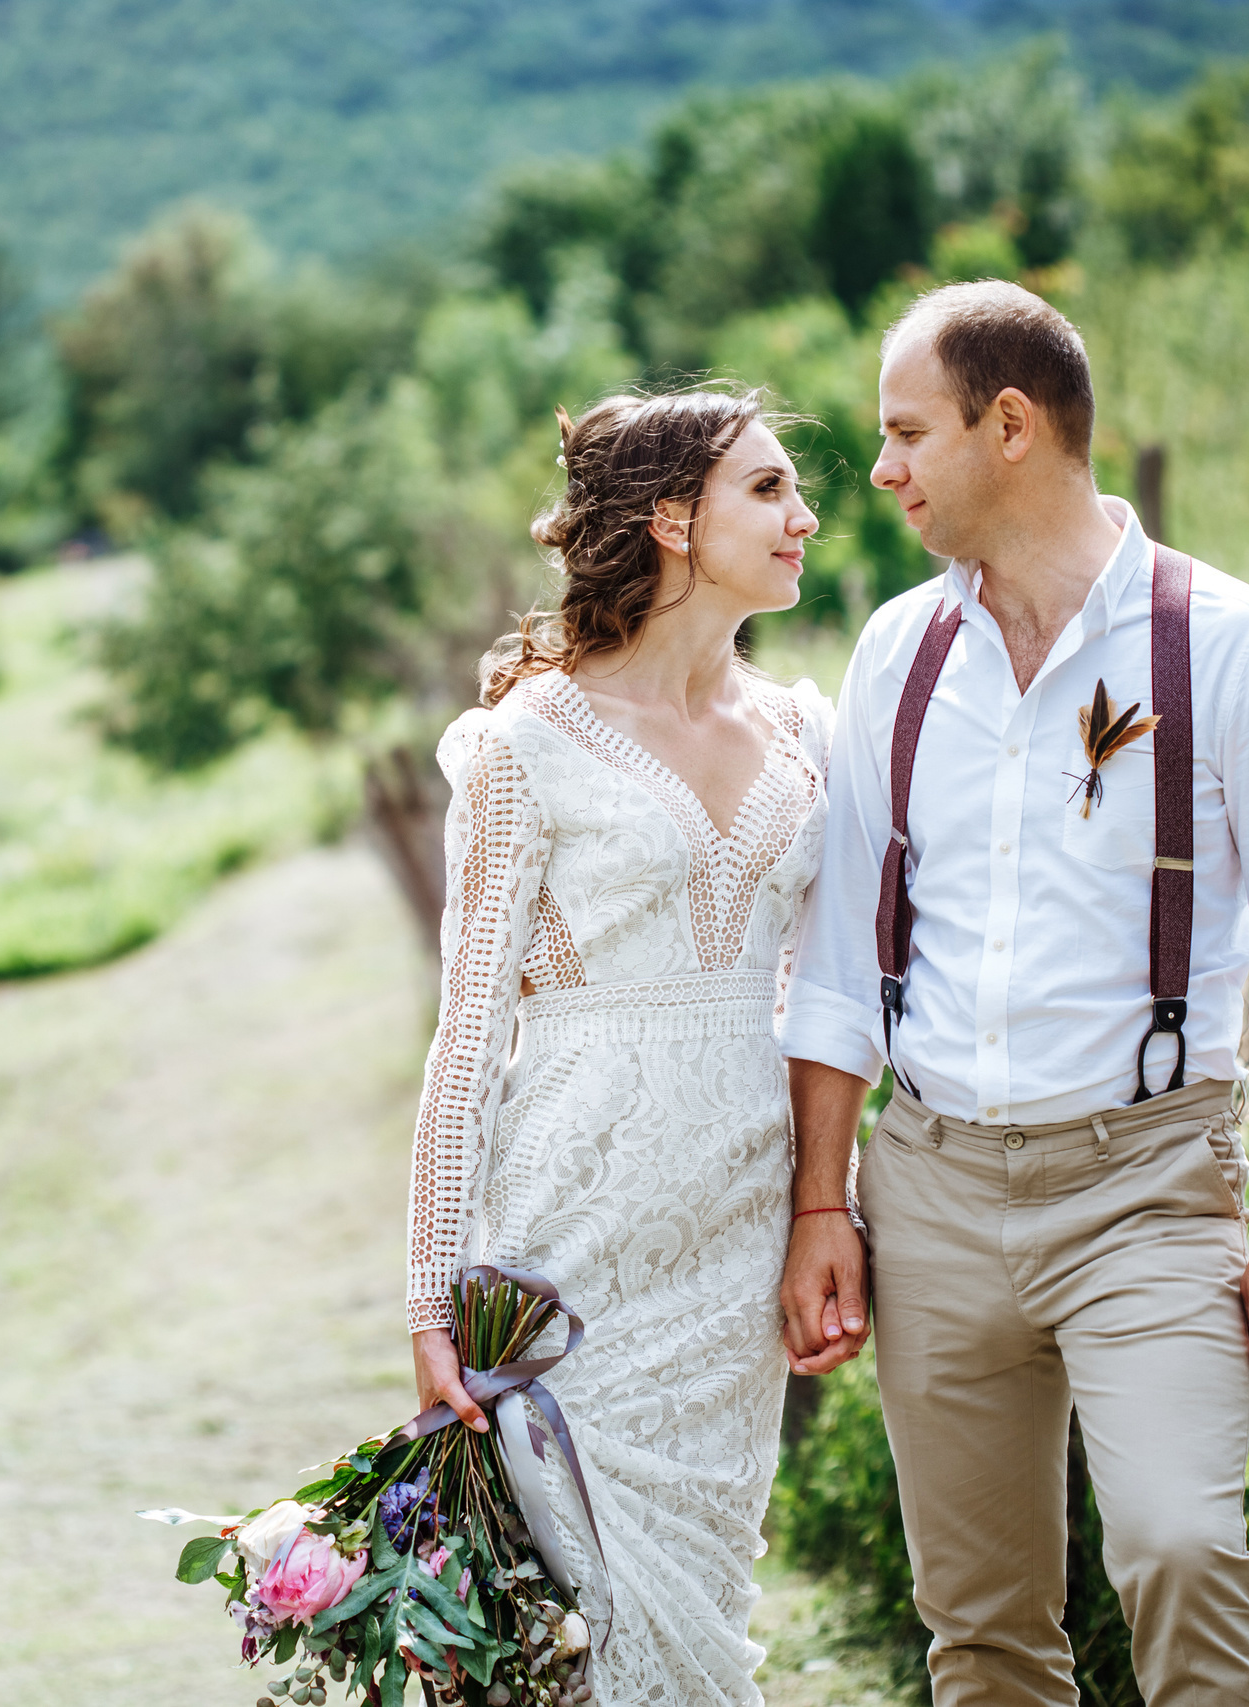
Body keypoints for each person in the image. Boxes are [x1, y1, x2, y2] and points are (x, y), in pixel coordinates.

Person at [776, 280, 1249, 1705]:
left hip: (1148, 1187)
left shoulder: (1235, 646)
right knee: (979, 1628)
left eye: (906, 433)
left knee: (1179, 1547)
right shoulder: (897, 659)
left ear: (1010, 426)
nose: (882, 471)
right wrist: (823, 1204)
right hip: (928, 1186)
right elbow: (843, 967)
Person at [407, 387, 829, 1705]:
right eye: (765, 489)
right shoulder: (527, 745)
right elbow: (466, 1037)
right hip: (570, 1254)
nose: (803, 516)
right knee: (579, 1631)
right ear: (669, 523)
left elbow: (829, 998)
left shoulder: (808, 736)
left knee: (702, 1605)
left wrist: (836, 1203)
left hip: (738, 1247)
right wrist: (429, 1293)